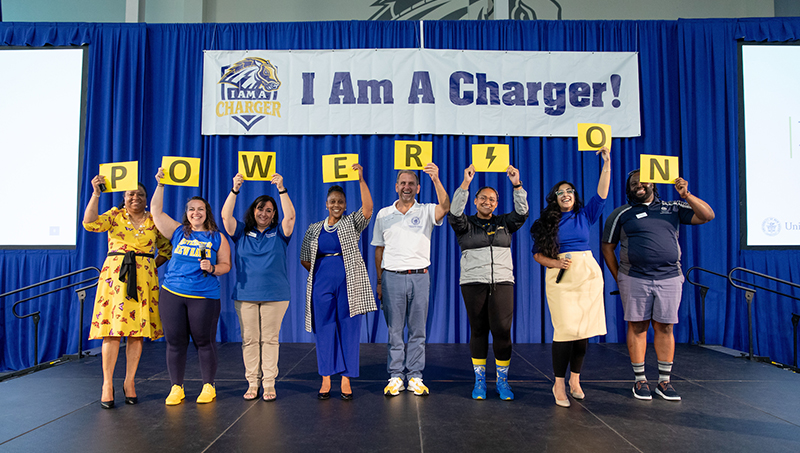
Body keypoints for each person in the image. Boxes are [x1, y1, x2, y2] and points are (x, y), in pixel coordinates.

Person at [601, 169, 714, 401]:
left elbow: (707, 216)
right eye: (633, 183)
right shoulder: (621, 214)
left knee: (665, 327)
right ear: (628, 188)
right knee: (638, 327)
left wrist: (687, 195)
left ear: (653, 184)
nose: (639, 185)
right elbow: (607, 247)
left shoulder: (672, 208)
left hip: (670, 277)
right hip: (634, 278)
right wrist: (619, 277)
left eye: (643, 181)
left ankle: (664, 382)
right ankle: (640, 381)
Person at [531, 146, 611, 408]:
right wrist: (555, 262)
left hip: (587, 275)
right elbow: (537, 255)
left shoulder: (584, 215)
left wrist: (606, 164)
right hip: (561, 278)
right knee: (565, 331)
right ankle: (558, 382)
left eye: (569, 191)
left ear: (575, 196)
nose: (566, 195)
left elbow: (601, 195)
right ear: (554, 198)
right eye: (560, 192)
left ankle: (575, 380)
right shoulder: (547, 222)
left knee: (583, 331)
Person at [83, 176, 171, 409]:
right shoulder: (114, 216)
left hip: (143, 281)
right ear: (124, 198)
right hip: (115, 280)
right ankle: (107, 384)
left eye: (140, 194)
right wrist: (96, 194)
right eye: (130, 194)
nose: (135, 197)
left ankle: (130, 381)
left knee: (136, 333)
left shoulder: (154, 221)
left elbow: (167, 249)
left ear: (146, 199)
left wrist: (150, 266)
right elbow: (89, 223)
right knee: (112, 332)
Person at [151, 168, 232, 405]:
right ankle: (177, 387)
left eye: (200, 209)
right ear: (186, 214)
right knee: (175, 342)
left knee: (204, 342)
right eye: (191, 209)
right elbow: (156, 211)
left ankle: (209, 386)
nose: (196, 212)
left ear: (207, 213)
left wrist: (212, 269)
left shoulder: (217, 237)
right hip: (172, 294)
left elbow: (226, 264)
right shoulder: (177, 232)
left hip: (204, 296)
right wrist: (161, 185)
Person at [448, 164, 528, 401]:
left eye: (492, 199)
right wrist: (465, 183)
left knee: (502, 331)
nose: (487, 202)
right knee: (479, 330)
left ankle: (502, 381)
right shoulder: (464, 225)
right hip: (473, 283)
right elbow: (454, 212)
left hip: (503, 283)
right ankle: (479, 381)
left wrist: (517, 184)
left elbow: (522, 212)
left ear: (496, 203)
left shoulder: (506, 222)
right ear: (475, 201)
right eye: (482, 198)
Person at [372, 163, 450, 396]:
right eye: (403, 183)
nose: (407, 187)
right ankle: (396, 376)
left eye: (411, 184)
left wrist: (436, 179)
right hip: (391, 278)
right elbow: (379, 250)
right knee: (394, 330)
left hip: (420, 277)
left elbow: (445, 207)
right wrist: (379, 281)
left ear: (417, 188)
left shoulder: (426, 210)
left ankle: (415, 376)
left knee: (418, 331)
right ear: (396, 186)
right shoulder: (384, 214)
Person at [300, 164, 375, 401]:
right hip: (321, 282)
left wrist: (361, 180)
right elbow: (304, 259)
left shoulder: (351, 222)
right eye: (332, 201)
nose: (336, 205)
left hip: (349, 283)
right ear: (326, 204)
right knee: (324, 328)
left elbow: (368, 209)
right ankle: (325, 378)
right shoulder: (313, 229)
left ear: (345, 204)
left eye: (340, 202)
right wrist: (323, 274)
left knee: (349, 328)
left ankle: (345, 379)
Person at [221, 172, 296, 402]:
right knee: (250, 340)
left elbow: (291, 217)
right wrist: (235, 189)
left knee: (270, 340)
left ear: (274, 215)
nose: (263, 213)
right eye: (260, 208)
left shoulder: (280, 233)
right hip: (246, 295)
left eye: (269, 210)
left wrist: (282, 189)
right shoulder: (241, 231)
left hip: (276, 295)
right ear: (253, 210)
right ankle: (253, 382)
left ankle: (269, 383)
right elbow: (225, 217)